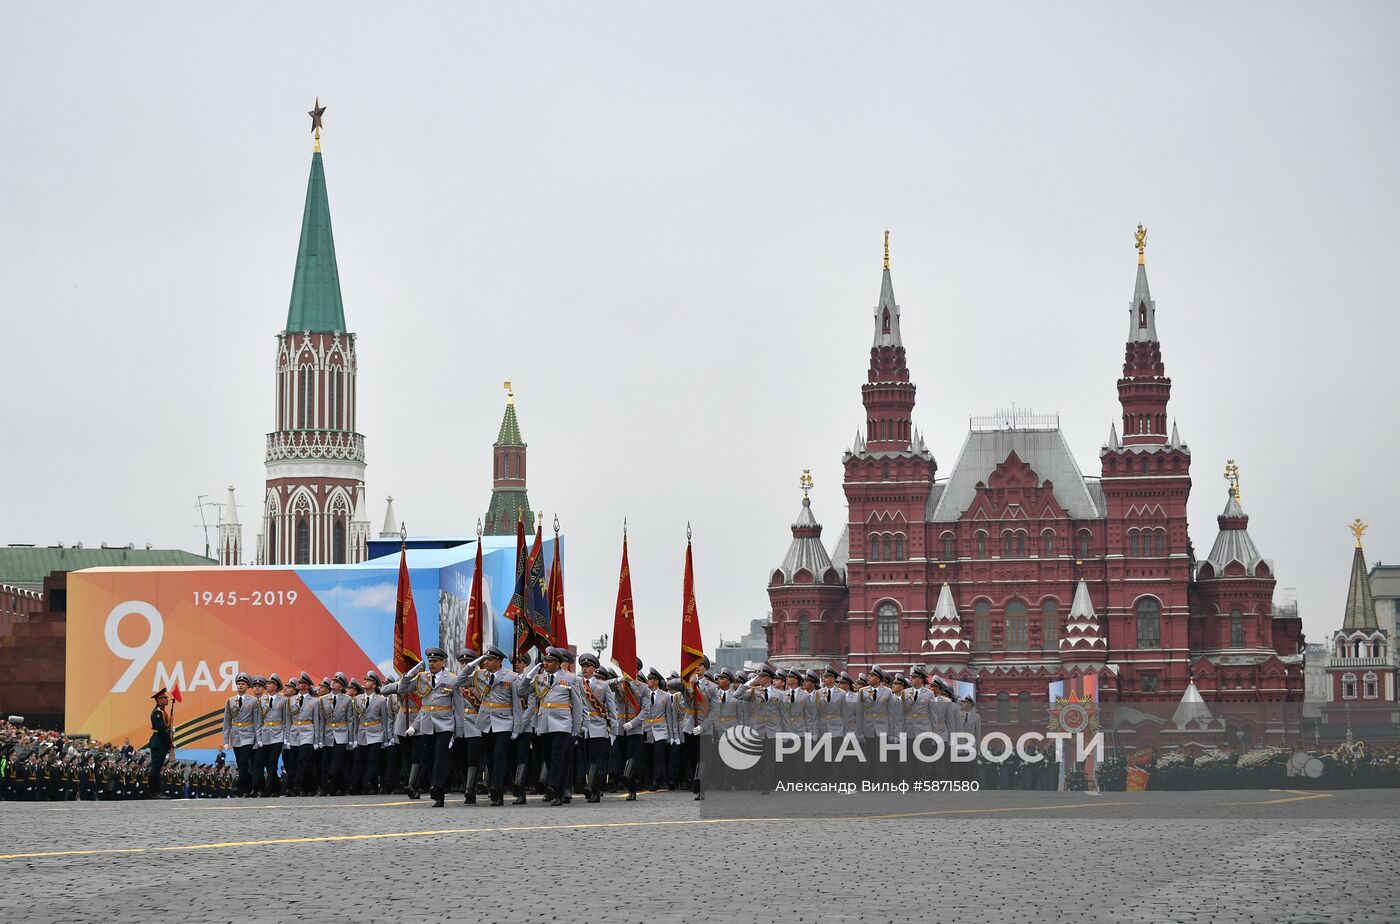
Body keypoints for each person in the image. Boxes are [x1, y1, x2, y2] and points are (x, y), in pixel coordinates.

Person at [382, 647, 458, 807]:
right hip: (427, 724)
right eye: (430, 661)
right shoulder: (422, 678)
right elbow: (402, 689)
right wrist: (410, 674)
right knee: (429, 757)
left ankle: (437, 788)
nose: (432, 664)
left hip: (445, 724)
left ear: (442, 662)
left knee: (440, 757)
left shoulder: (452, 679)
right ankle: (435, 787)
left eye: (435, 661)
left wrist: (460, 729)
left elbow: (458, 705)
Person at [575, 652, 616, 803]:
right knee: (584, 761)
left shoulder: (603, 686)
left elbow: (611, 709)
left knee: (596, 760)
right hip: (582, 728)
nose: (585, 669)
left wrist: (614, 731)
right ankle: (587, 786)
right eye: (583, 666)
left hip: (598, 727)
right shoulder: (576, 683)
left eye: (588, 666)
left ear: (594, 668)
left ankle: (594, 789)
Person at [255, 674, 290, 795]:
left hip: (278, 734)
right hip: (264, 734)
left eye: (269, 683)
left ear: (275, 686)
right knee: (262, 762)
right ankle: (276, 788)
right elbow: (259, 721)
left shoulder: (284, 700)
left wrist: (286, 738)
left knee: (272, 761)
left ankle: (268, 787)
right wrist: (258, 737)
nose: (267, 685)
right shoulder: (261, 700)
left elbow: (286, 720)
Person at [146, 688, 174, 798]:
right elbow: (162, 730)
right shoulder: (157, 713)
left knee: (158, 768)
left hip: (160, 742)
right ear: (158, 700)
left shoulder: (162, 711)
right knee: (156, 768)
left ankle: (158, 791)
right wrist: (169, 743)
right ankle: (154, 792)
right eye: (164, 698)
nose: (167, 699)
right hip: (158, 742)